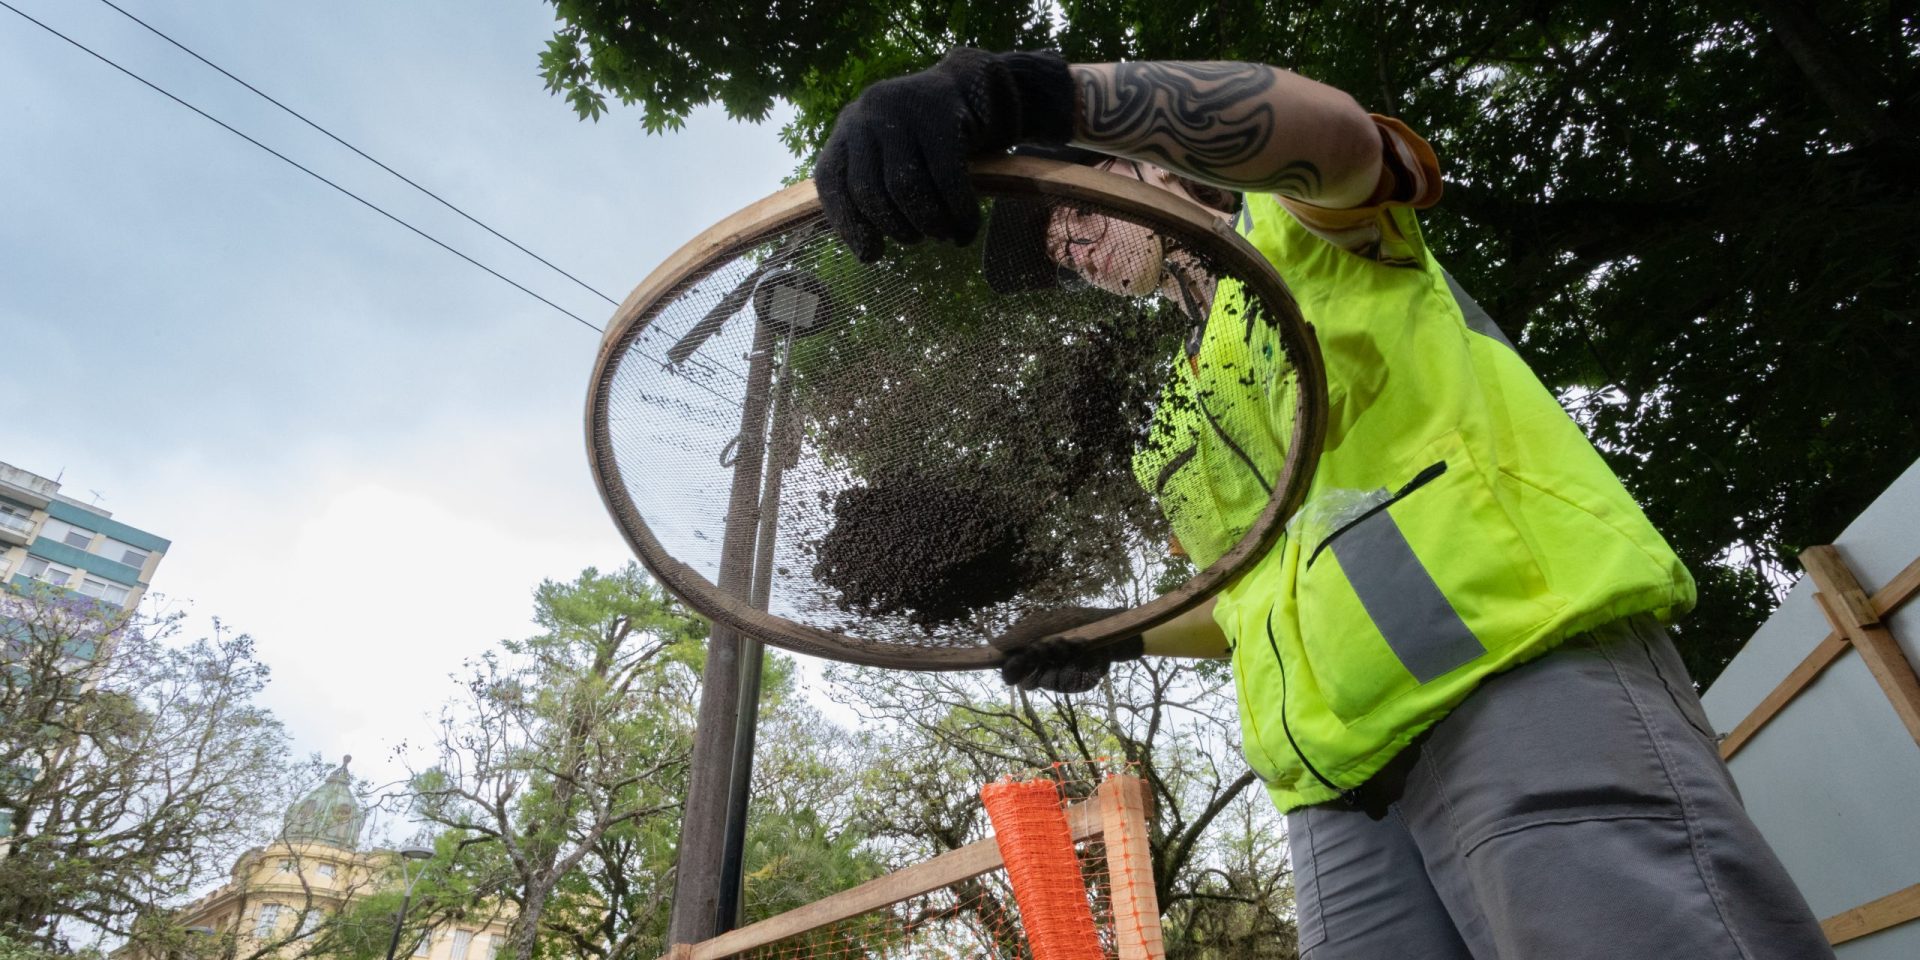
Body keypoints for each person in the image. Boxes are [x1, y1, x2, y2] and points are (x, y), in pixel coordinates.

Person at [813, 50, 1835, 959]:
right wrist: (1124, 636)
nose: (1069, 247)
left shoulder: (1298, 228)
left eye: (1074, 210)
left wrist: (1029, 93)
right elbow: (1259, 591)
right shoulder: (1171, 418)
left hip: (1510, 675)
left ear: (1150, 170)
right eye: (1053, 251)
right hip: (1331, 789)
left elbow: (1337, 136)